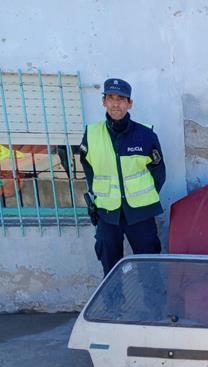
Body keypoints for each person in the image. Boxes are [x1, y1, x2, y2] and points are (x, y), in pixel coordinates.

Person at [80, 78, 166, 276]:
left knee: (149, 269)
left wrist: (142, 196)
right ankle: (114, 308)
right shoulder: (91, 134)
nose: (116, 103)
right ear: (104, 101)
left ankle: (152, 307)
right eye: (110, 98)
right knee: (110, 270)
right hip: (107, 214)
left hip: (141, 214)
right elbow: (88, 167)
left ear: (130, 103)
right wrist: (99, 194)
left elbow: (158, 171)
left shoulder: (146, 135)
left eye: (121, 98)